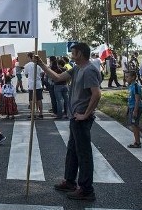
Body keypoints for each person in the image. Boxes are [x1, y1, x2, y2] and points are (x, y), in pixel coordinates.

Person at [35, 42, 101, 201]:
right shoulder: (77, 68)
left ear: (80, 54)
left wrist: (86, 114)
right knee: (73, 150)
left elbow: (97, 94)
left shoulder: (90, 70)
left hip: (81, 118)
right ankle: (70, 181)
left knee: (83, 154)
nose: (71, 55)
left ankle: (86, 189)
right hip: (74, 117)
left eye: (73, 52)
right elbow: (57, 78)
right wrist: (42, 64)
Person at [125, 71, 142, 148]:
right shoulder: (130, 86)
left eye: (128, 77)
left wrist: (135, 111)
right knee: (136, 124)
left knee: (134, 125)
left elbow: (137, 100)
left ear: (133, 77)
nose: (126, 78)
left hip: (136, 108)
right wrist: (128, 109)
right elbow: (130, 99)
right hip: (131, 107)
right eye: (126, 77)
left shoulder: (136, 86)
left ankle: (137, 142)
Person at [23, 52, 44, 119]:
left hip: (31, 85)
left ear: (30, 57)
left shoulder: (26, 65)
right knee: (39, 99)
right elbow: (41, 74)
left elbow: (26, 75)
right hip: (38, 84)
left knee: (31, 100)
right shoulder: (38, 65)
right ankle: (41, 113)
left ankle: (33, 114)